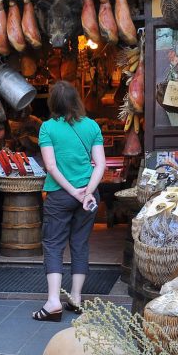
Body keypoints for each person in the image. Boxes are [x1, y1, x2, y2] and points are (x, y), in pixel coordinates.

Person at [33, 80, 107, 322]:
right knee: (80, 243)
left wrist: (74, 192)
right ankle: (75, 297)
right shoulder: (92, 126)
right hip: (89, 194)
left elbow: (51, 166)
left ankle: (53, 301)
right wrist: (86, 193)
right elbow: (101, 164)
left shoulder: (47, 128)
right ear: (76, 100)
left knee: (53, 244)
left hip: (60, 195)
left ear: (53, 103)